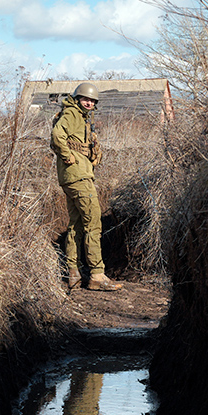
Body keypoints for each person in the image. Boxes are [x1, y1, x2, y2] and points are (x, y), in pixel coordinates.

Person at [51, 82, 122, 292]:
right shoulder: (72, 114)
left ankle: (73, 272)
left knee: (76, 225)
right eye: (85, 99)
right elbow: (57, 136)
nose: (89, 103)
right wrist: (69, 156)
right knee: (93, 224)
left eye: (92, 100)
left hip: (71, 178)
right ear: (77, 98)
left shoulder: (79, 117)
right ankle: (97, 275)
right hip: (78, 177)